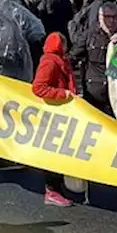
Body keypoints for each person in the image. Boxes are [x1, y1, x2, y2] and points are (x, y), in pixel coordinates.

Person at [31, 32, 77, 207]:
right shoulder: (50, 61)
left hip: (62, 113)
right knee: (54, 153)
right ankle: (51, 191)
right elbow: (39, 87)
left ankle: (56, 189)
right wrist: (62, 94)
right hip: (53, 114)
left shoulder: (60, 60)